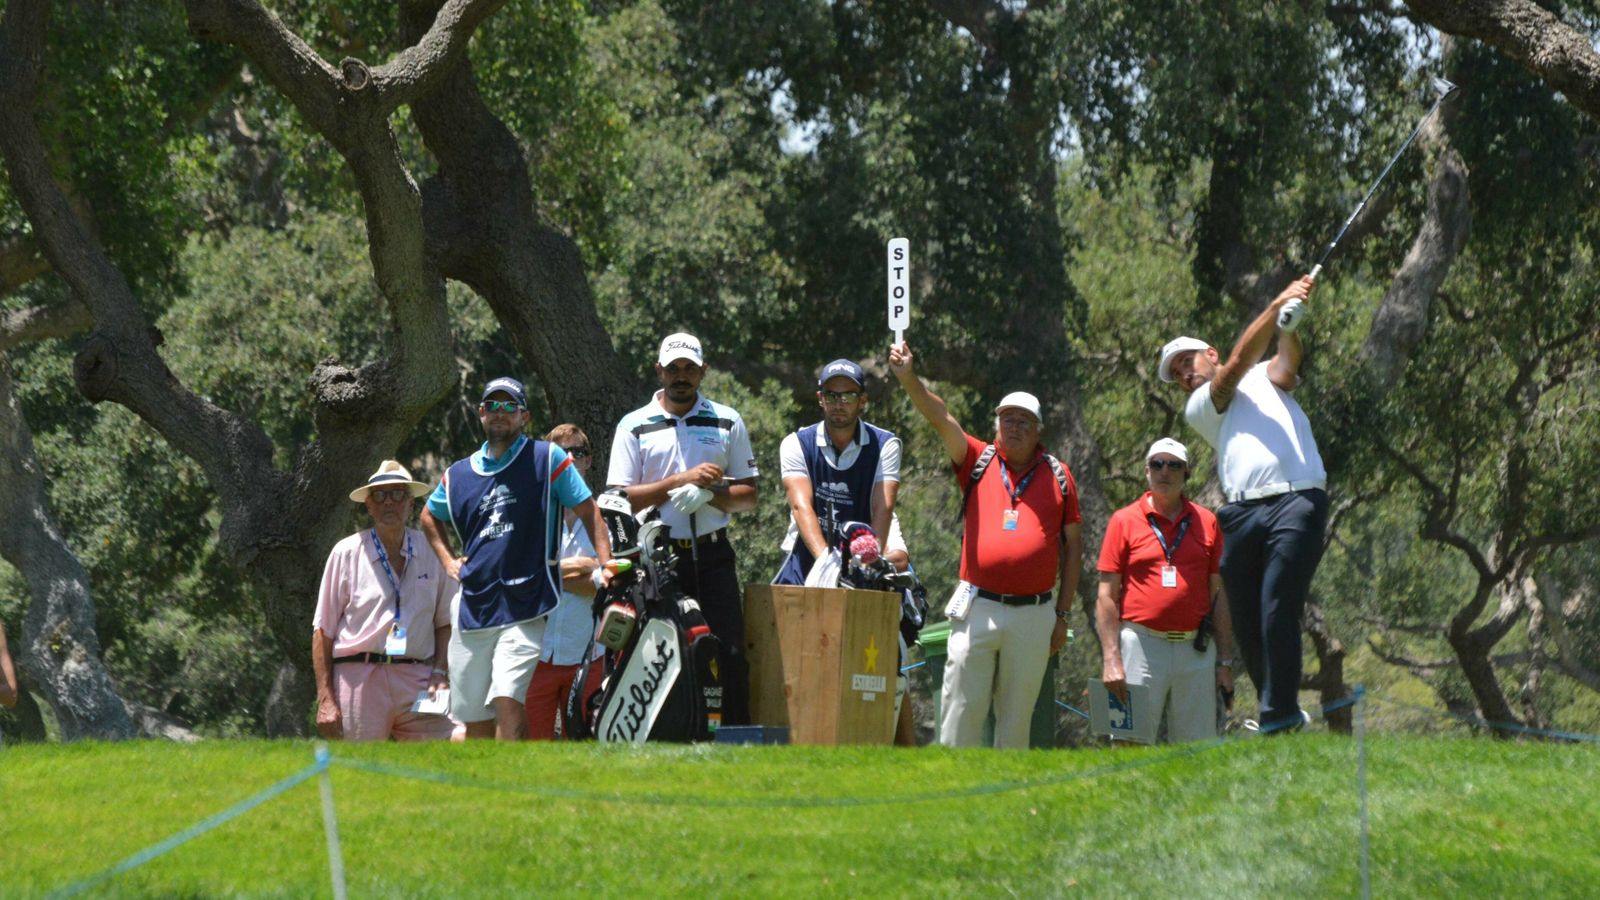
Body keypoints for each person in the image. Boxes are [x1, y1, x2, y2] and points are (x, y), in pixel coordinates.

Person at [888, 340, 1082, 749]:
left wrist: (1062, 614)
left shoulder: (1059, 475)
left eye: (1023, 421)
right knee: (961, 708)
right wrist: (909, 378)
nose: (1013, 427)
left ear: (1038, 430)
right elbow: (941, 417)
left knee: (1016, 718)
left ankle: (1005, 800)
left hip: (1034, 612)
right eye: (1006, 419)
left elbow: (1074, 548)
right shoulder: (977, 458)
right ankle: (950, 792)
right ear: (996, 425)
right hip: (978, 605)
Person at [1159, 274, 1327, 734]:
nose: (1184, 374)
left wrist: (1289, 324)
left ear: (1207, 353)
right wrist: (1277, 307)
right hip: (1240, 513)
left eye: (1186, 362)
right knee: (1249, 620)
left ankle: (1278, 716)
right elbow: (1236, 365)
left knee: (1277, 605)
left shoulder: (1262, 376)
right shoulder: (1200, 405)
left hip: (1297, 500)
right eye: (1176, 374)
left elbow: (1287, 366)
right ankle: (1283, 714)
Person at [421, 377, 612, 740]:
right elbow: (429, 516)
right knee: (475, 718)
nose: (500, 413)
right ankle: (486, 789)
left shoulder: (547, 458)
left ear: (525, 416)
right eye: (492, 405)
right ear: (480, 413)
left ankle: (509, 775)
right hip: (474, 605)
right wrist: (447, 561)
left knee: (508, 698)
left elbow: (590, 512)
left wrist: (607, 566)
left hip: (526, 605)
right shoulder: (459, 473)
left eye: (510, 406)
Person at [607, 333, 759, 725]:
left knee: (727, 650)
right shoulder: (634, 425)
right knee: (659, 652)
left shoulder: (727, 420)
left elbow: (748, 496)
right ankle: (667, 734)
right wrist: (680, 481)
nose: (681, 376)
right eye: (673, 368)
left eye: (689, 368)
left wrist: (710, 494)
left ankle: (732, 737)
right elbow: (619, 501)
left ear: (703, 371)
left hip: (712, 554)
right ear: (659, 370)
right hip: (657, 559)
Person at [1096, 438, 1236, 742]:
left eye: (1174, 465)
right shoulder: (1123, 520)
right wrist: (1111, 659)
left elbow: (1218, 594)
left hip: (1195, 649)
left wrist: (1225, 661)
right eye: (1157, 464)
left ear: (1186, 474)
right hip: (1140, 645)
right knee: (1127, 741)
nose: (1165, 471)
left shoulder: (1208, 521)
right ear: (1147, 471)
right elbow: (1106, 596)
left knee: (1196, 748)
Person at [312, 460, 455, 742]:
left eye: (398, 494)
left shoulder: (430, 549)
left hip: (418, 676)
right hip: (360, 678)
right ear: (369, 505)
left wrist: (440, 670)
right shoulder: (346, 552)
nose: (389, 502)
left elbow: (445, 623)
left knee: (455, 746)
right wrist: (325, 697)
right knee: (361, 771)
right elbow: (322, 631)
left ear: (410, 503)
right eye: (380, 495)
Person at [773, 358, 901, 586]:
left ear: (862, 401)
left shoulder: (885, 444)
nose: (839, 403)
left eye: (848, 396)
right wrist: (828, 565)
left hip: (862, 559)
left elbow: (883, 506)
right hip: (805, 560)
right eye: (831, 395)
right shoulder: (796, 443)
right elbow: (800, 507)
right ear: (820, 399)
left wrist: (868, 563)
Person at [523, 423, 607, 740]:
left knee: (585, 748)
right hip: (535, 654)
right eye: (562, 453)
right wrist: (586, 569)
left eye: (578, 452)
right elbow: (523, 578)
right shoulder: (529, 517)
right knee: (533, 751)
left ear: (588, 461)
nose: (570, 458)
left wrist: (548, 572)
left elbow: (608, 580)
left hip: (589, 655)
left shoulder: (607, 518)